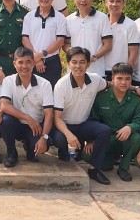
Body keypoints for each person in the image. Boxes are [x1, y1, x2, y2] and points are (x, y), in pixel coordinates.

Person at [40, 48, 113, 184]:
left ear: (88, 64)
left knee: (104, 131)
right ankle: (63, 151)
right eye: (74, 62)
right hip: (63, 125)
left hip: (83, 124)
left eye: (82, 62)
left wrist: (135, 88)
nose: (78, 66)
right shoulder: (61, 85)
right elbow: (57, 117)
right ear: (68, 64)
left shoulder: (95, 79)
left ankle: (94, 169)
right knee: (60, 139)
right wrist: (69, 135)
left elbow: (111, 84)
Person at [92, 62, 140, 182]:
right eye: (119, 78)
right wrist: (92, 140)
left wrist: (130, 127)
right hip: (107, 139)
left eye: (127, 79)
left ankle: (123, 168)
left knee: (136, 138)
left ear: (131, 81)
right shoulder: (101, 97)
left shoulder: (136, 100)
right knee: (89, 156)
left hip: (126, 139)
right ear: (112, 79)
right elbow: (93, 120)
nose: (123, 82)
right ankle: (109, 159)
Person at [0, 47, 51, 168]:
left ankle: (30, 148)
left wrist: (44, 138)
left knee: (37, 151)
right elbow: (4, 105)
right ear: (14, 64)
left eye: (28, 62)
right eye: (20, 62)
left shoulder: (45, 84)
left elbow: (49, 114)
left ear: (34, 63)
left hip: (36, 127)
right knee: (6, 121)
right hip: (17, 123)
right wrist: (28, 118)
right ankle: (11, 153)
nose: (24, 66)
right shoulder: (9, 81)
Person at [62, 0, 112, 76]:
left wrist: (93, 58)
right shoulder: (68, 20)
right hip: (74, 72)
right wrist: (73, 54)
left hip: (96, 72)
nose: (83, 0)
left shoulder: (102, 18)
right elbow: (64, 43)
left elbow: (108, 45)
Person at [21, 0, 66, 77]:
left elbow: (60, 42)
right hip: (31, 63)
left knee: (52, 91)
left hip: (52, 63)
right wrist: (36, 58)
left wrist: (41, 55)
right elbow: (25, 39)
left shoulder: (60, 17)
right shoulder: (28, 16)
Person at [98, 0, 140, 79]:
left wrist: (126, 74)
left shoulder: (130, 25)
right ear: (106, 3)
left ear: (123, 3)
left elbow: (133, 53)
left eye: (118, 1)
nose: (114, 4)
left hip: (120, 73)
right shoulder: (100, 21)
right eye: (111, 1)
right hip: (99, 71)